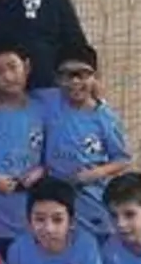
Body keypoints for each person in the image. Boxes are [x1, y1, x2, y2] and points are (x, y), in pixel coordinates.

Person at [41, 43, 131, 239]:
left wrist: (95, 173)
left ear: (95, 78)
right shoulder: (47, 101)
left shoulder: (106, 118)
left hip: (92, 201)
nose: (75, 82)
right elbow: (15, 97)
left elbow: (122, 159)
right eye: (68, 75)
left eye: (82, 74)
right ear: (57, 78)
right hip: (56, 199)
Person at [0, 46, 47, 257]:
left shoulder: (42, 109)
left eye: (13, 67)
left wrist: (40, 171)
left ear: (27, 67)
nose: (8, 76)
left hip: (29, 215)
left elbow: (50, 155)